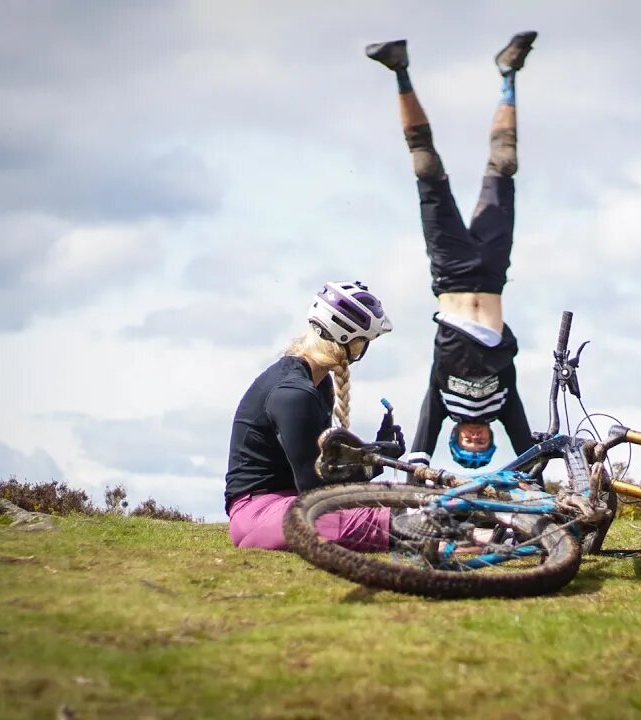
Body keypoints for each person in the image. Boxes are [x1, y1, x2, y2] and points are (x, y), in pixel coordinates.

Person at [365, 31, 541, 474]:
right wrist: (532, 485)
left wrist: (422, 480)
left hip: (450, 273)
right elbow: (528, 458)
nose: (477, 440)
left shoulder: (442, 400)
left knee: (426, 169)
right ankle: (508, 74)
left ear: (457, 438)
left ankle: (399, 71)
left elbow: (420, 449)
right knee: (505, 165)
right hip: (492, 270)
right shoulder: (505, 401)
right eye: (483, 446)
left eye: (470, 446)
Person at [224, 280, 406, 550]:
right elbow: (316, 488)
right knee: (387, 519)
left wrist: (376, 454)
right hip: (260, 513)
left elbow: (324, 473)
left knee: (402, 504)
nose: (360, 352)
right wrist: (372, 465)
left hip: (291, 503)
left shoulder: (319, 385)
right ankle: (473, 539)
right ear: (347, 342)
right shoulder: (294, 394)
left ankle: (478, 529)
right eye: (360, 345)